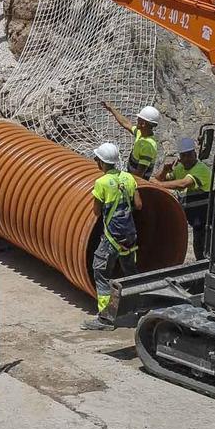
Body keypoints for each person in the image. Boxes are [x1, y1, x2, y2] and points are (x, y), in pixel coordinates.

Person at [84, 141, 139, 330]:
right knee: (130, 271)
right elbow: (138, 205)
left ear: (102, 162)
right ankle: (138, 308)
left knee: (100, 272)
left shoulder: (101, 183)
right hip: (130, 236)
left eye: (97, 159)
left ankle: (105, 319)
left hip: (112, 237)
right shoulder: (129, 178)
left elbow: (97, 213)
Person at [159, 133, 214, 259]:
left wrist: (160, 185)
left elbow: (184, 184)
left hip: (207, 221)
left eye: (189, 155)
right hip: (196, 221)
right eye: (184, 155)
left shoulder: (200, 169)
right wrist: (164, 170)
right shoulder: (180, 168)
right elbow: (160, 179)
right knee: (198, 250)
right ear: (180, 157)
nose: (187, 158)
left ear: (195, 154)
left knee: (207, 252)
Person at [129, 105, 162, 179]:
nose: (137, 119)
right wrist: (112, 109)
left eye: (139, 119)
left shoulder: (148, 146)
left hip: (138, 183)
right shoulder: (140, 133)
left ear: (143, 123)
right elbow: (127, 124)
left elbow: (139, 175)